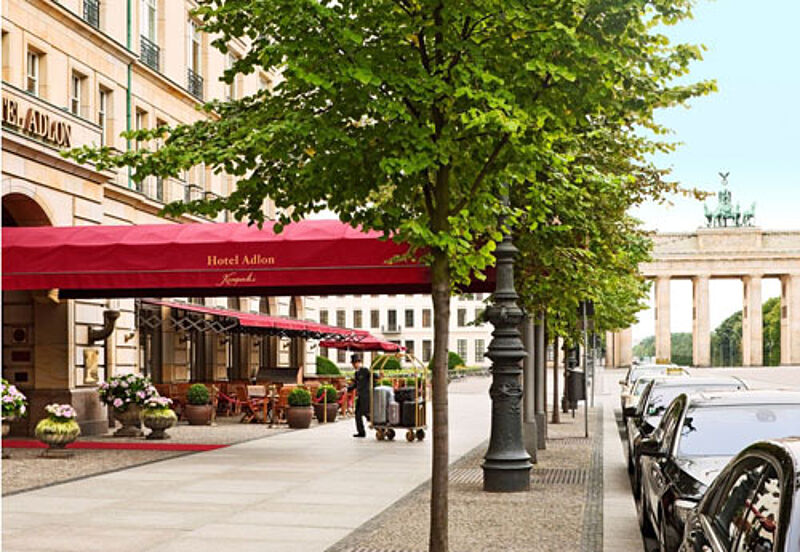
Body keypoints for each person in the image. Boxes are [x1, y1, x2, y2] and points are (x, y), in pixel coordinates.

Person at [348, 354, 371, 438]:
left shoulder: (365, 370)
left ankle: (380, 427)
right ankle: (361, 432)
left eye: (354, 363)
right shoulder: (357, 373)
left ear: (358, 362)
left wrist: (379, 376)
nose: (353, 365)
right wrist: (347, 389)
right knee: (358, 414)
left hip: (366, 396)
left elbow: (374, 377)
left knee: (367, 414)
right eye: (353, 364)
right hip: (360, 396)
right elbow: (355, 384)